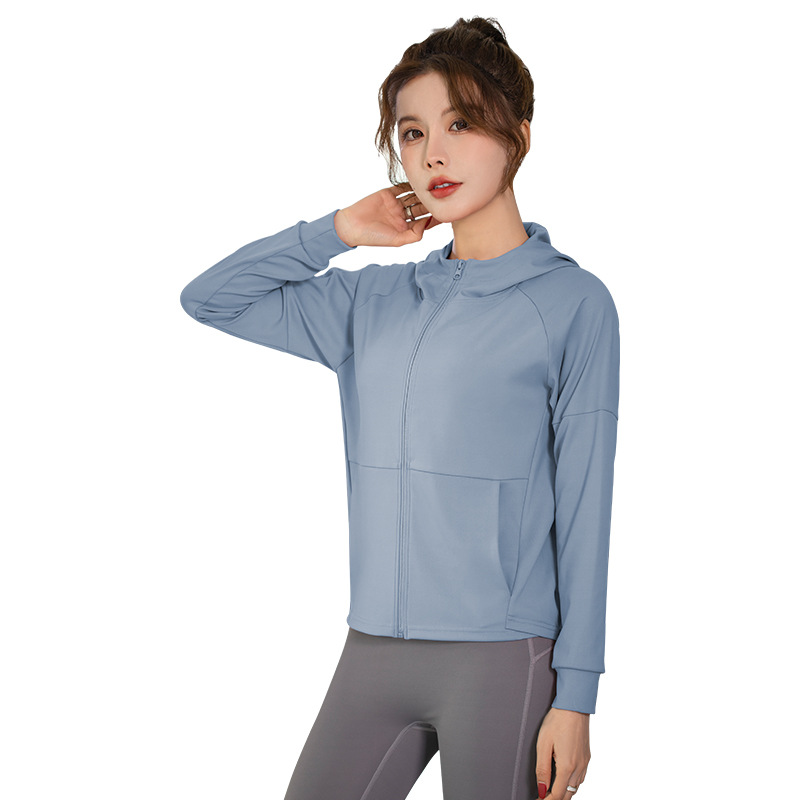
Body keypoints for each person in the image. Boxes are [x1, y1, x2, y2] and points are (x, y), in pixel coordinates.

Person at [179, 16, 619, 800]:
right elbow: (211, 298)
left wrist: (577, 693)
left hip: (501, 655)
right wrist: (340, 231)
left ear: (519, 136)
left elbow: (587, 507)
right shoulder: (369, 302)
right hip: (372, 647)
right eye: (413, 133)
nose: (433, 154)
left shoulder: (572, 304)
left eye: (461, 124)